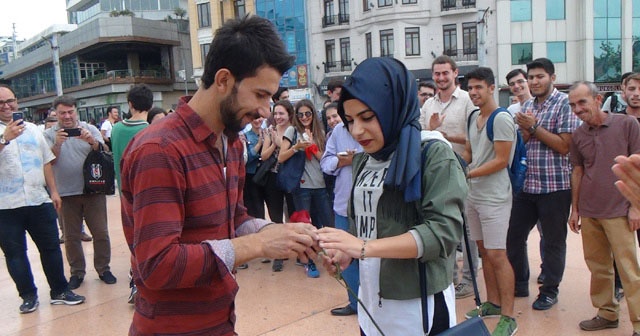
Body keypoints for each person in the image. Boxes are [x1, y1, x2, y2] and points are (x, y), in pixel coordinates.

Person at [119, 15, 318, 335]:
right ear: (223, 80)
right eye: (260, 95)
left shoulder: (231, 141)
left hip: (219, 320)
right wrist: (257, 245)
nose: (267, 110)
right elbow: (157, 265)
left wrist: (280, 234)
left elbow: (233, 218)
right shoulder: (160, 150)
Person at [317, 57, 467, 336]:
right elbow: (365, 223)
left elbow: (442, 233)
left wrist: (363, 246)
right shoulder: (363, 159)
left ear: (393, 106)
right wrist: (345, 252)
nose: (357, 131)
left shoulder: (432, 153)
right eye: (349, 121)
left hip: (416, 305)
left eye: (367, 117)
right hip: (372, 303)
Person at [0, 85, 85, 314]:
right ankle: (28, 295)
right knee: (15, 254)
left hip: (39, 200)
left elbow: (46, 161)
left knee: (51, 249)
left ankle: (60, 291)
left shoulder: (32, 129)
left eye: (11, 101)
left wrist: (54, 191)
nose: (7, 106)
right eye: (1, 103)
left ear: (17, 101)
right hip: (5, 206)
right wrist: (4, 139)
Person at [507, 58, 581, 309]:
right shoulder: (526, 105)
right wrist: (525, 132)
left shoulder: (564, 104)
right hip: (527, 186)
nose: (534, 81)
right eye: (531, 77)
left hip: (555, 186)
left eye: (540, 76)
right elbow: (524, 143)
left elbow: (564, 146)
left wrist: (534, 127)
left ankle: (549, 290)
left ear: (552, 77)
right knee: (513, 236)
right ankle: (519, 283)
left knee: (552, 241)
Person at [567, 81, 640, 336]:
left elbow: (637, 167)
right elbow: (578, 172)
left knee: (629, 269)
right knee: (598, 267)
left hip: (619, 209)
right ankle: (607, 313)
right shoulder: (578, 135)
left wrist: (635, 207)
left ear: (598, 100)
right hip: (590, 211)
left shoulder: (627, 124)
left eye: (582, 102)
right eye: (573, 105)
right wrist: (575, 210)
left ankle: (639, 323)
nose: (577, 109)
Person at [461, 67, 517, 336]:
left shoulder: (502, 118)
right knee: (484, 253)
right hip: (474, 195)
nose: (473, 92)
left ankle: (509, 316)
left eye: (479, 87)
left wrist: (467, 173)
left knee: (497, 255)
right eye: (470, 88)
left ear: (492, 88)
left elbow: (501, 160)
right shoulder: (473, 117)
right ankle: (492, 303)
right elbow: (471, 151)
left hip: (494, 197)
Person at [420, 54, 478, 299]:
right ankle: (450, 277)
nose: (441, 78)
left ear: (455, 74)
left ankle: (468, 279)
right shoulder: (428, 105)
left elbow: (475, 139)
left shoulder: (467, 101)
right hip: (436, 175)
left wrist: (441, 133)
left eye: (445, 73)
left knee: (468, 231)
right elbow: (422, 136)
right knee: (445, 226)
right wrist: (432, 132)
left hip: (463, 172)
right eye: (437, 74)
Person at [43, 95, 117, 290]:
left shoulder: (90, 129)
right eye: (62, 113)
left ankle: (103, 269)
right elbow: (47, 162)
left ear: (76, 111)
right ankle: (77, 272)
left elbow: (105, 151)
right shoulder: (49, 135)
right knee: (71, 236)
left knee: (100, 232)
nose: (67, 116)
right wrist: (57, 144)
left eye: (70, 112)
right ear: (55, 114)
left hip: (93, 189)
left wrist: (92, 141)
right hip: (66, 193)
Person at [279, 99, 332, 278]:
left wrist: (312, 147)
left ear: (313, 114)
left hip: (321, 185)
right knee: (305, 227)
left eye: (307, 114)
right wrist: (296, 147)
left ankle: (335, 261)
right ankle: (309, 262)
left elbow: (326, 159)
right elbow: (281, 157)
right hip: (301, 187)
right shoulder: (292, 131)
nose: (304, 117)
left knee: (328, 224)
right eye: (300, 114)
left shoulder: (320, 132)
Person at [111, 83, 153, 304]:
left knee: (134, 240)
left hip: (125, 196)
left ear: (130, 104)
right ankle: (141, 283)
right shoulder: (150, 131)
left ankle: (135, 282)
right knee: (149, 241)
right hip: (148, 198)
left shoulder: (116, 129)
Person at [320, 107, 363, 317]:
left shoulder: (374, 125)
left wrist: (360, 159)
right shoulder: (338, 132)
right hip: (344, 205)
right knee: (345, 257)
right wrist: (341, 160)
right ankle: (355, 303)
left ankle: (375, 304)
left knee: (373, 257)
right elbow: (325, 164)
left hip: (371, 208)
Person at [506, 68, 546, 285]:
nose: (518, 86)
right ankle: (520, 277)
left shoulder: (540, 105)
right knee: (517, 232)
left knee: (546, 233)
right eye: (513, 83)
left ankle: (546, 270)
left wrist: (531, 126)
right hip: (521, 178)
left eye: (521, 81)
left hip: (546, 178)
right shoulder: (512, 110)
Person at [261, 100, 297, 272]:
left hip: (291, 177)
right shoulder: (270, 131)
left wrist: (282, 144)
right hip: (273, 178)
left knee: (293, 213)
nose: (278, 117)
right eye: (275, 114)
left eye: (281, 113)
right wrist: (275, 142)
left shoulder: (295, 131)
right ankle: (279, 253)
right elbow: (264, 155)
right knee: (276, 216)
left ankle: (295, 247)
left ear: (289, 114)